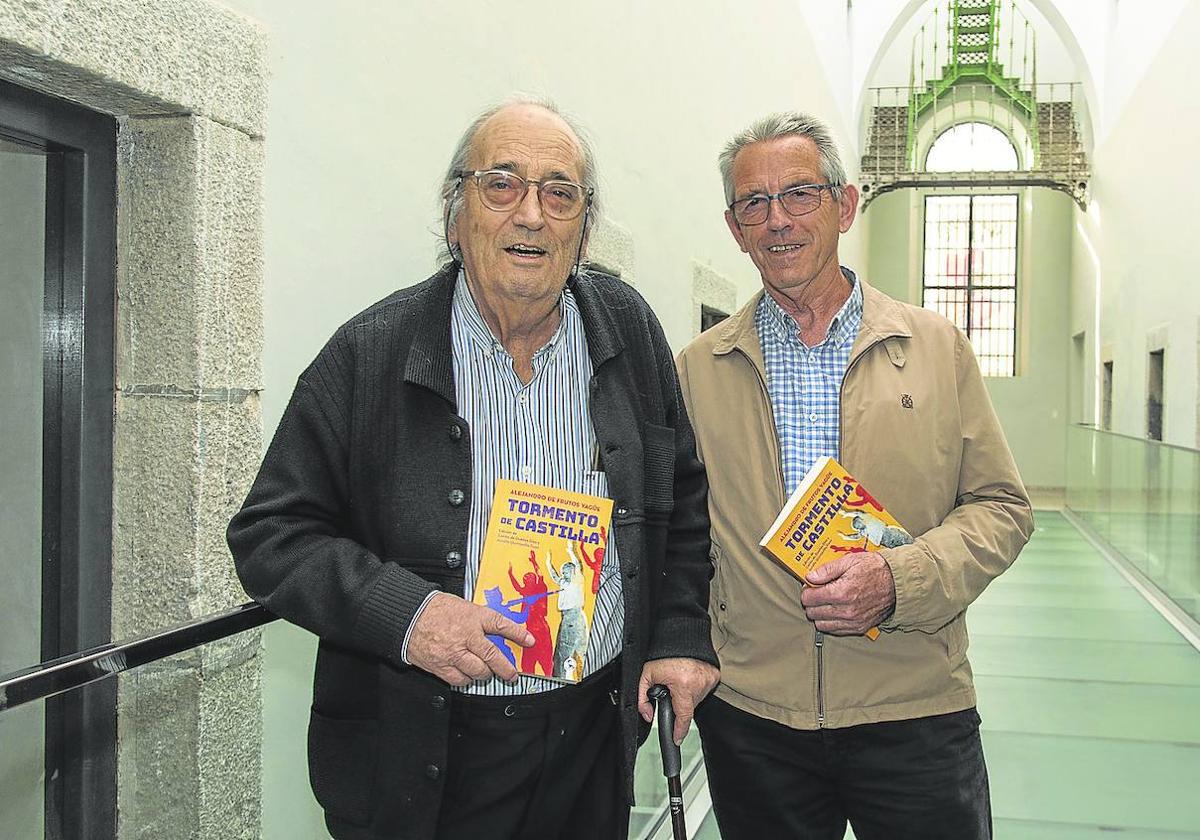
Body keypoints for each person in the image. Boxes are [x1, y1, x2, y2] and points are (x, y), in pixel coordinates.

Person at [228, 97, 719, 840]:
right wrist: (409, 615)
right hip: (424, 749)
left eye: (560, 193)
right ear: (455, 215)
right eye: (502, 185)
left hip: (592, 732)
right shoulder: (371, 353)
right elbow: (270, 536)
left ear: (583, 230)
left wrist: (680, 631)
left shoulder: (628, 330)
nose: (531, 215)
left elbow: (680, 496)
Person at [676, 111, 1034, 840]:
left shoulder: (937, 349)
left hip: (913, 709)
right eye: (755, 204)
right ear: (734, 227)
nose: (777, 220)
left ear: (844, 205)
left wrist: (901, 581)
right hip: (755, 720)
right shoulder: (695, 370)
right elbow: (679, 533)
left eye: (799, 194)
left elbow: (1001, 507)